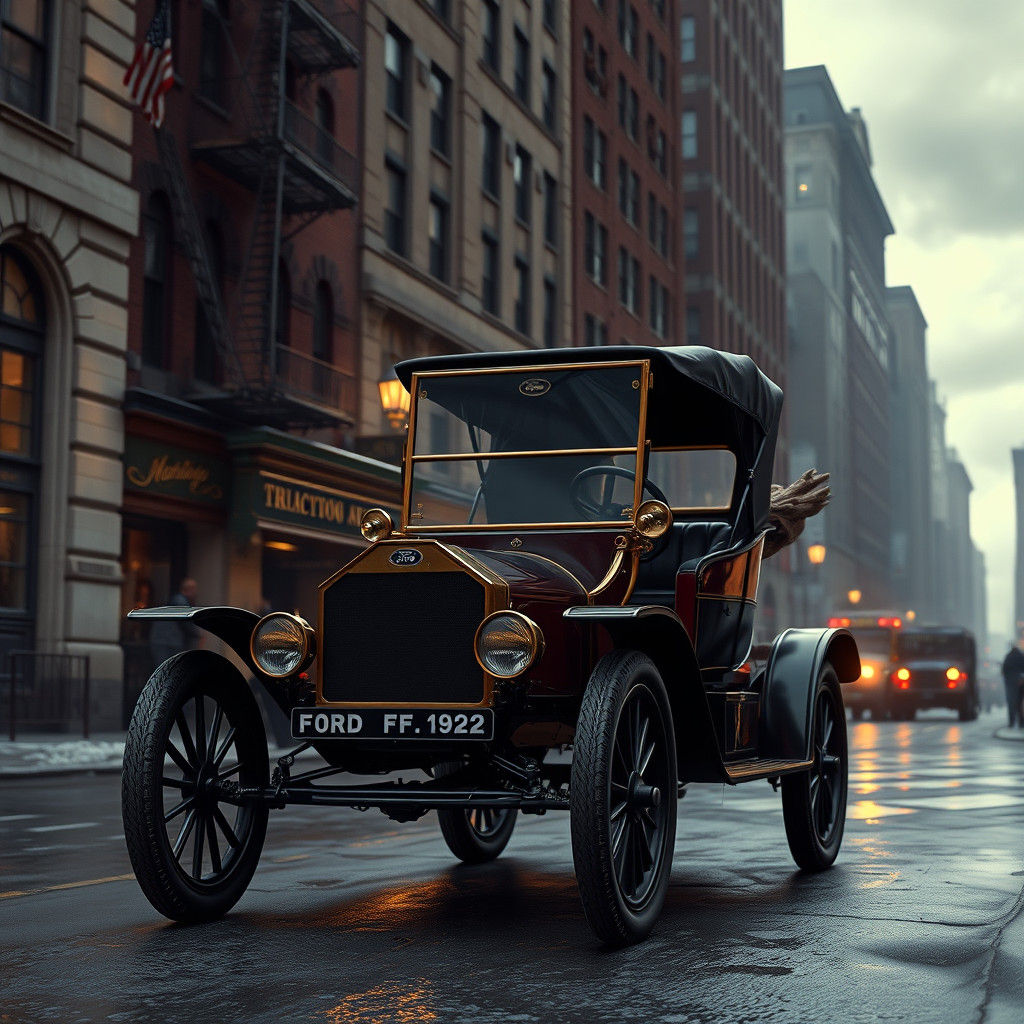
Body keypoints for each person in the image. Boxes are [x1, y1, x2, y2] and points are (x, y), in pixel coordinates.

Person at [149, 577, 201, 667]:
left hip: (163, 641)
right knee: (168, 670)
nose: (196, 592)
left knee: (166, 670)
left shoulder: (178, 600)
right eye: (194, 589)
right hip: (168, 642)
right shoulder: (180, 601)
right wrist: (198, 634)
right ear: (189, 590)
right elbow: (186, 621)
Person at [1000, 626, 1024, 729]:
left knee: (1011, 703)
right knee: (1020, 704)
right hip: (1021, 683)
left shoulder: (1008, 657)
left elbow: (1004, 671)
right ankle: (1021, 722)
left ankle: (1011, 722)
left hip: (1010, 684)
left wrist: (1008, 680)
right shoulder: (1021, 656)